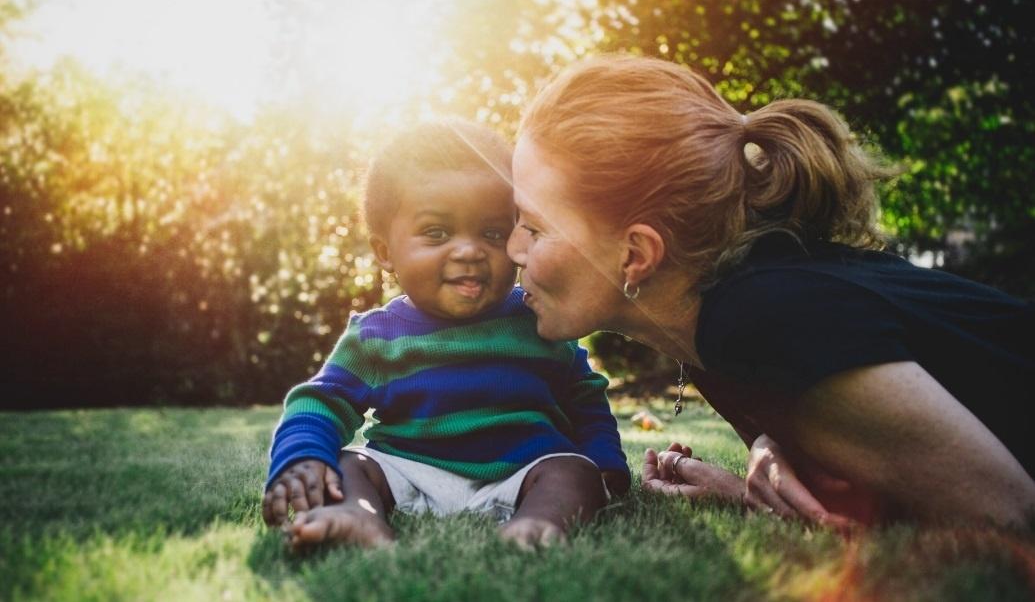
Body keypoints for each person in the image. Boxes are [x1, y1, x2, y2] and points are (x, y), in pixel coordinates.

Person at [505, 54, 1035, 527]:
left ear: (636, 255)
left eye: (534, 227)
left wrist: (757, 483)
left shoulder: (763, 316)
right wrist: (759, 462)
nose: (512, 249)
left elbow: (1009, 511)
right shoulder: (713, 324)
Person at [261, 119, 630, 550]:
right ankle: (356, 514)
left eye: (492, 233)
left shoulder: (539, 319)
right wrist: (303, 456)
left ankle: (537, 524)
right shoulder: (376, 336)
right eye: (436, 233)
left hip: (524, 474)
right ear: (385, 251)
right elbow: (321, 401)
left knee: (574, 471)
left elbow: (585, 399)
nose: (469, 251)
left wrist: (605, 462)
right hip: (408, 472)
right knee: (349, 463)